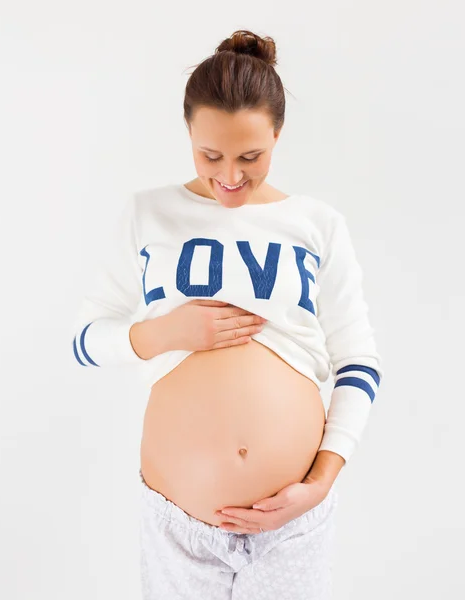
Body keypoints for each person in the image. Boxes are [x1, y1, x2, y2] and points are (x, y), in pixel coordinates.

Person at [71, 29, 383, 600]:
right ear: (188, 132)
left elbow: (358, 361)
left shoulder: (317, 225)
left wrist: (320, 481)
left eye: (251, 156)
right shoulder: (148, 213)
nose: (231, 177)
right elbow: (86, 340)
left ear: (278, 135)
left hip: (291, 523)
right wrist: (169, 332)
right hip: (179, 524)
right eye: (210, 155)